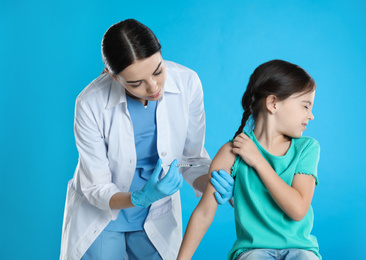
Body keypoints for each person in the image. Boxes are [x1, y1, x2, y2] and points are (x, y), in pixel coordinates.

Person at [60, 19, 234, 260]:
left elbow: (191, 159)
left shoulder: (188, 83)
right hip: (104, 213)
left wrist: (214, 186)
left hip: (157, 213)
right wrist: (139, 198)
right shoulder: (90, 103)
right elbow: (96, 186)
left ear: (160, 48)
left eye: (158, 71)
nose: (153, 87)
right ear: (113, 75)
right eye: (135, 83)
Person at [177, 59, 321, 260]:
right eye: (305, 106)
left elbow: (297, 210)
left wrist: (258, 161)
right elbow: (203, 214)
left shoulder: (306, 148)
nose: (311, 115)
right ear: (273, 103)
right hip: (253, 251)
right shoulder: (231, 153)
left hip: (301, 250)